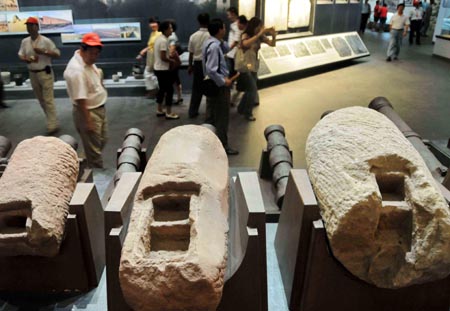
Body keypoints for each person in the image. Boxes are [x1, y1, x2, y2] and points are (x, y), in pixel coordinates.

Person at [64, 32, 108, 168]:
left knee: (102, 140)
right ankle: (97, 174)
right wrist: (88, 122)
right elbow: (80, 99)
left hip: (99, 108)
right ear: (83, 50)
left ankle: (87, 155)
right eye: (92, 54)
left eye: (97, 54)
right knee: (95, 151)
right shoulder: (76, 70)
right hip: (88, 112)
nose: (95, 57)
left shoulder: (88, 61)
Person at [18, 17, 60, 134]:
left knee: (48, 99)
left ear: (37, 27)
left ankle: (52, 124)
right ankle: (52, 120)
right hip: (33, 73)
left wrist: (44, 52)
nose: (29, 28)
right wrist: (25, 59)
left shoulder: (45, 41)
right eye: (28, 26)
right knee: (41, 100)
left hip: (44, 72)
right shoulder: (25, 41)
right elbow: (20, 54)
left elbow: (57, 53)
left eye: (32, 25)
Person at [202, 18, 238, 155]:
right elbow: (211, 69)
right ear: (219, 30)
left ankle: (207, 143)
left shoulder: (211, 43)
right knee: (222, 117)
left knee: (211, 115)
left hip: (211, 85)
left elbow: (226, 49)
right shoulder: (214, 46)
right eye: (223, 27)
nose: (225, 29)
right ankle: (223, 145)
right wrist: (224, 81)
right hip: (219, 86)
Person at [237, 17, 276, 121]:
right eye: (259, 26)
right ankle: (247, 113)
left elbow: (272, 44)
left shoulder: (260, 36)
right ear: (254, 26)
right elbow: (245, 44)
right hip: (246, 66)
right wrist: (259, 34)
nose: (261, 28)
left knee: (250, 89)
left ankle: (241, 108)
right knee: (252, 89)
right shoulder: (245, 35)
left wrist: (273, 36)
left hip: (253, 65)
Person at [153, 20, 179, 119]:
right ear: (165, 29)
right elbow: (163, 57)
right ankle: (169, 112)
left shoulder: (159, 39)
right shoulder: (163, 41)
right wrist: (172, 61)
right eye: (170, 28)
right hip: (163, 69)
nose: (172, 30)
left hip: (158, 68)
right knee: (169, 90)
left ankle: (159, 109)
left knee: (162, 90)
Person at [187, 13, 210, 118]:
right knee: (210, 86)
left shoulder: (193, 36)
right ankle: (209, 112)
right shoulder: (210, 36)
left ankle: (193, 111)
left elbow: (191, 53)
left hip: (197, 63)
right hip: (208, 63)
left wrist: (190, 66)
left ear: (199, 22)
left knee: (196, 88)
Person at [137, 17, 161, 97]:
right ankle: (154, 91)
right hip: (150, 55)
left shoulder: (160, 33)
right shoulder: (152, 33)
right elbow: (150, 45)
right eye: (151, 23)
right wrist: (144, 51)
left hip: (156, 56)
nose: (152, 25)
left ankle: (156, 91)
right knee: (149, 74)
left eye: (154, 22)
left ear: (158, 23)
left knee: (150, 74)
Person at [168, 20, 183, 105]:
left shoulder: (171, 36)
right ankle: (179, 97)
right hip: (175, 61)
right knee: (176, 79)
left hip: (172, 61)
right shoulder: (173, 35)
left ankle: (177, 97)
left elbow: (172, 50)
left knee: (172, 79)